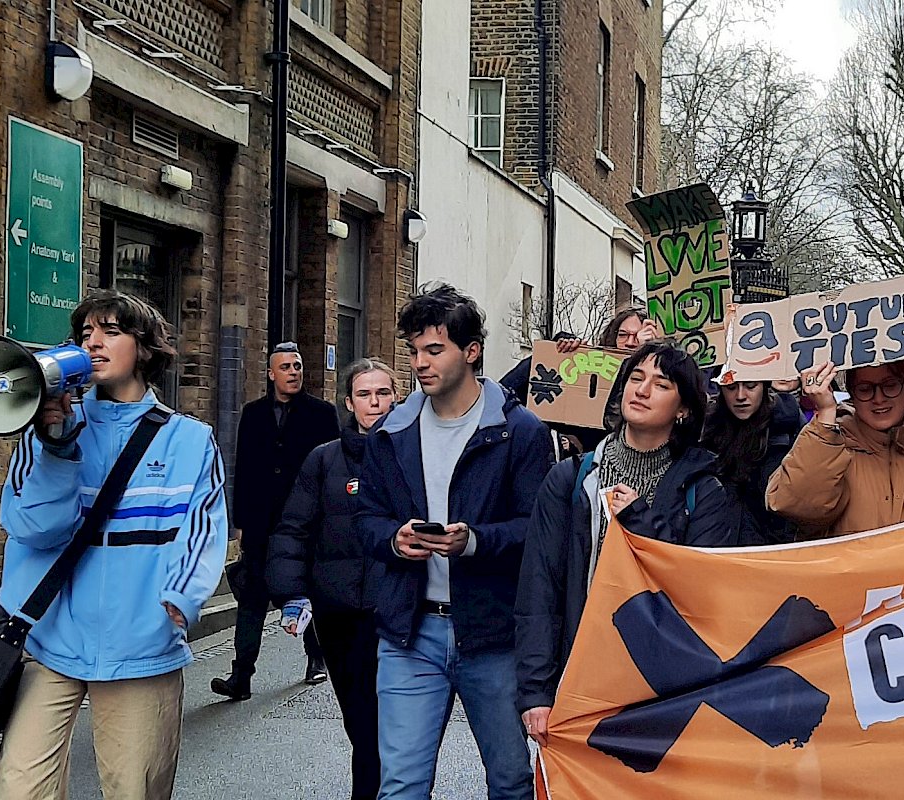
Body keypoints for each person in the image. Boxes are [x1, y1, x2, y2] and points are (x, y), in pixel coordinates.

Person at [0, 291, 228, 800]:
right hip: (49, 634)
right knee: (20, 786)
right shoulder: (45, 431)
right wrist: (56, 446)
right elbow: (30, 527)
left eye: (111, 332)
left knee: (134, 787)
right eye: (84, 335)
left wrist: (180, 602)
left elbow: (203, 529)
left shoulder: (188, 439)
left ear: (144, 349)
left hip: (140, 639)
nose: (93, 343)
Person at [356, 284, 554, 800]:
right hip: (409, 631)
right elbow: (365, 519)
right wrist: (394, 540)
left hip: (492, 634)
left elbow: (536, 528)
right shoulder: (391, 431)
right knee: (400, 784)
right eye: (415, 351)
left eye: (434, 350)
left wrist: (474, 542)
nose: (420, 363)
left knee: (511, 780)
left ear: (471, 352)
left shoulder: (519, 431)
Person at [515, 340, 749, 745]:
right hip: (584, 675)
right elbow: (540, 588)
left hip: (666, 688)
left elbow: (699, 590)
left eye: (660, 384)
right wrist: (537, 692)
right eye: (635, 378)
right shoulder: (571, 480)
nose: (641, 390)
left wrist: (641, 521)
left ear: (684, 409)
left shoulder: (705, 490)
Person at [265, 359, 399, 800]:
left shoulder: (414, 456)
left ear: (396, 397)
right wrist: (291, 593)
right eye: (364, 394)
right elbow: (293, 529)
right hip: (340, 615)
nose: (374, 402)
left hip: (397, 613)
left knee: (399, 727)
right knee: (361, 724)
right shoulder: (324, 461)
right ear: (349, 401)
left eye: (383, 393)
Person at [213, 341, 340, 699]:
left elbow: (332, 471)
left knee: (307, 593)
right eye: (285, 367)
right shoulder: (252, 414)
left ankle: (316, 660)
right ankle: (241, 678)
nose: (293, 372)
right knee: (251, 601)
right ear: (271, 374)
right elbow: (243, 470)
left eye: (297, 366)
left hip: (306, 525)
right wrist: (239, 522)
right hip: (259, 524)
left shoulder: (321, 414)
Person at [767, 360, 904, 537]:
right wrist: (825, 413)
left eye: (890, 385)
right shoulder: (829, 452)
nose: (879, 398)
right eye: (865, 389)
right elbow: (795, 504)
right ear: (851, 393)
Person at [701, 376, 804, 544]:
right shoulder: (705, 429)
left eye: (750, 386)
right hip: (716, 548)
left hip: (773, 552)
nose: (740, 396)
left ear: (764, 385)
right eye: (731, 387)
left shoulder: (787, 424)